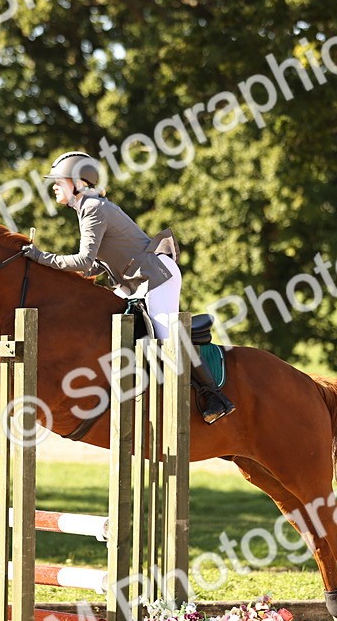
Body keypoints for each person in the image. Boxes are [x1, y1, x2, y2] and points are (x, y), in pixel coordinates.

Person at [22, 151, 235, 424]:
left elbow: (84, 261)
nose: (53, 186)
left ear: (77, 182)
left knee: (167, 340)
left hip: (156, 278)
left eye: (59, 181)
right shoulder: (86, 207)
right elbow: (95, 266)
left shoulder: (94, 208)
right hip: (132, 282)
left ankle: (215, 397)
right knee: (103, 321)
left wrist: (42, 258)